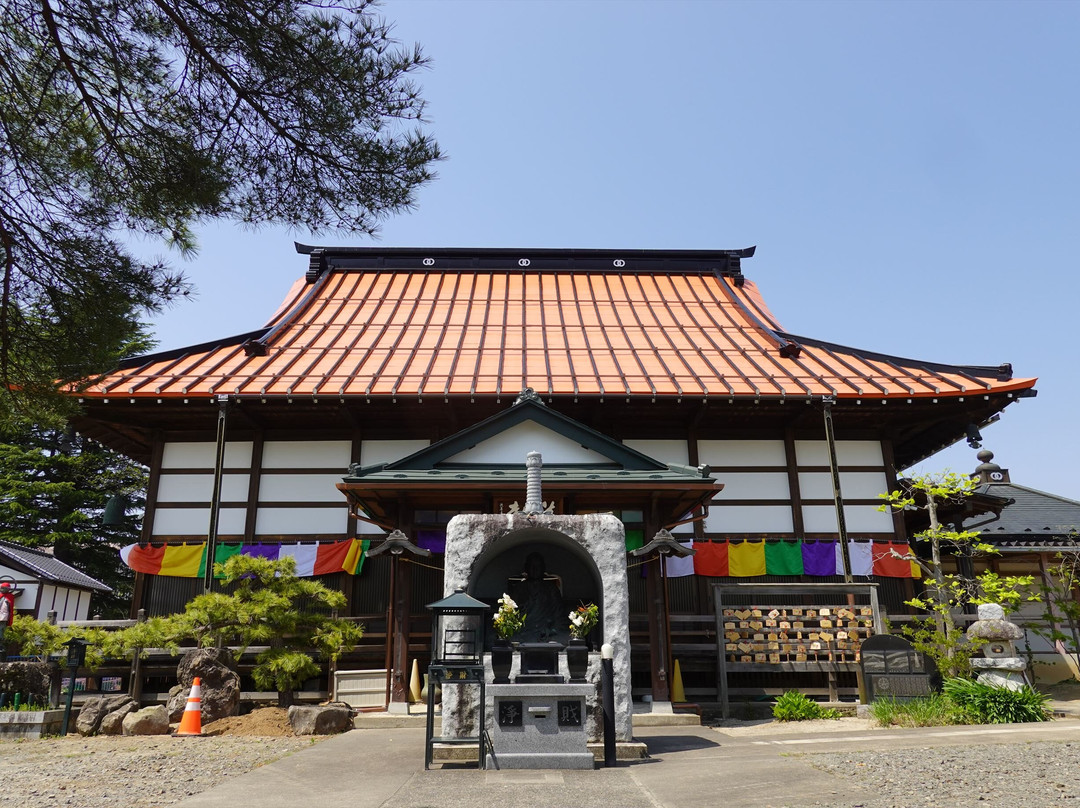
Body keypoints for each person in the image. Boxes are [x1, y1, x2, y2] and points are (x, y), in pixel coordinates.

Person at [510, 552, 567, 643]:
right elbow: (512, 612)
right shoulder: (519, 588)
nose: (535, 569)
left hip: (546, 631)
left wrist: (552, 630)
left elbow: (559, 614)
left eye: (538, 566)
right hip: (524, 631)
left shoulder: (551, 588)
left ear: (543, 568)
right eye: (531, 566)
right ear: (526, 568)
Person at [0, 582, 15, 662]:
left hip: (3, 617)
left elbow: (10, 609)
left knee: (1, 633)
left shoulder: (10, 597)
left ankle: (1, 647)